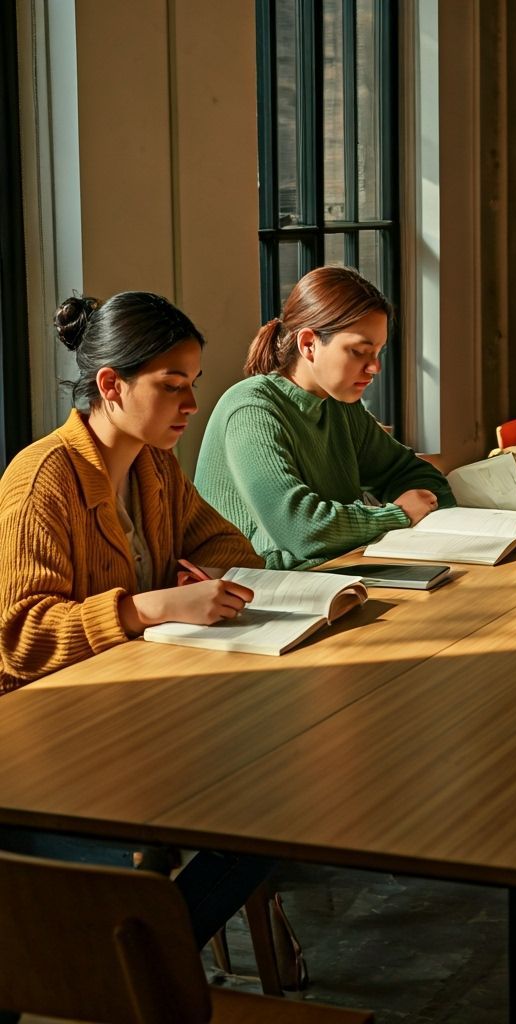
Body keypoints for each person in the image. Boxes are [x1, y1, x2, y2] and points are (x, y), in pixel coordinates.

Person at [0, 291, 271, 951]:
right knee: (251, 823)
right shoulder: (42, 482)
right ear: (110, 385)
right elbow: (19, 639)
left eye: (194, 385)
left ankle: (136, 965)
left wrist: (191, 582)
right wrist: (147, 607)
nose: (192, 404)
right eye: (172, 386)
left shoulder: (154, 465)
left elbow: (232, 550)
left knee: (273, 811)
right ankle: (132, 967)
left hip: (132, 716)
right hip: (39, 747)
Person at [195, 266, 454, 569]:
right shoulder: (251, 409)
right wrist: (397, 515)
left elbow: (415, 476)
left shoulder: (340, 404)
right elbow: (301, 530)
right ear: (308, 345)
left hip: (328, 578)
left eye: (379, 352)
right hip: (255, 598)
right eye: (359, 351)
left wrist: (416, 502)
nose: (375, 368)